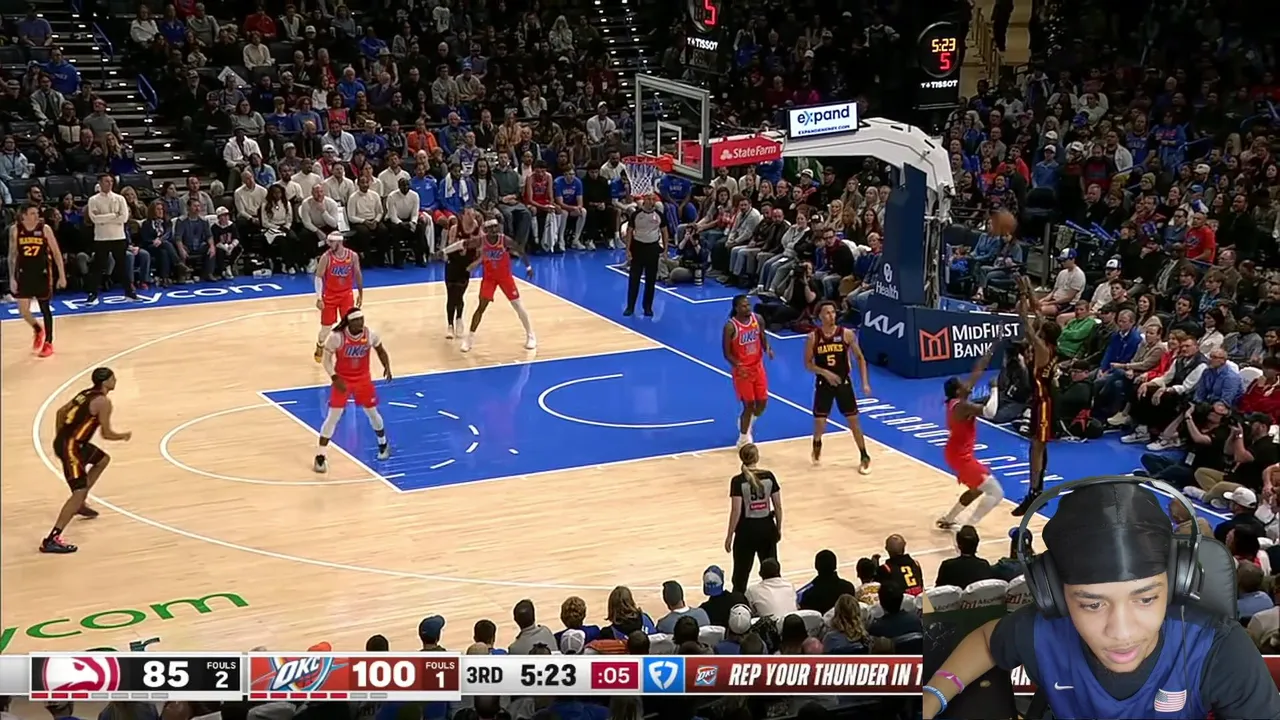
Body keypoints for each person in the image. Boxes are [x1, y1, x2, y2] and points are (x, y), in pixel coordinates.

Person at [921, 477, 1280, 720]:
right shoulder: (1041, 632)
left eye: (1145, 599)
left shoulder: (1219, 648)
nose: (1121, 632)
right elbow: (987, 640)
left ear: (1176, 584)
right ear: (1054, 595)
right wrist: (934, 695)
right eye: (1092, 604)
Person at [45, 368, 131, 554]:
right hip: (72, 448)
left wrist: (62, 436)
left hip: (69, 443)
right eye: (113, 378)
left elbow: (60, 412)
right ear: (105, 381)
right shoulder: (104, 402)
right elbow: (106, 434)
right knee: (78, 491)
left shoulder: (85, 394)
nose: (115, 380)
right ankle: (52, 539)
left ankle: (80, 503)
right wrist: (123, 436)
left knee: (102, 460)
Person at [315, 308, 392, 473]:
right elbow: (326, 360)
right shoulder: (336, 337)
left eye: (362, 319)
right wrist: (334, 377)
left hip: (363, 379)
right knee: (333, 417)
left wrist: (387, 366)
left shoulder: (370, 335)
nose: (361, 323)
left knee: (372, 413)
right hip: (342, 380)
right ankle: (320, 456)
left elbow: (381, 350)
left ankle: (383, 444)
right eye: (357, 320)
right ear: (349, 323)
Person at [938, 345, 1005, 529]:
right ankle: (969, 527)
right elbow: (990, 412)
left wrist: (992, 348)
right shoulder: (963, 407)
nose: (968, 385)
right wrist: (994, 389)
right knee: (996, 492)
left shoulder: (957, 401)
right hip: (961, 457)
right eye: (963, 385)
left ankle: (948, 519)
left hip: (955, 452)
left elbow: (977, 371)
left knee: (977, 489)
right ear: (958, 391)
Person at [803, 300, 873, 474]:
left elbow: (860, 358)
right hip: (824, 384)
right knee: (820, 421)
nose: (831, 316)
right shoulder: (813, 337)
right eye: (827, 313)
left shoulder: (846, 334)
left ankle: (864, 455)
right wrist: (825, 373)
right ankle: (817, 442)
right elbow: (808, 364)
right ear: (820, 316)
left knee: (854, 421)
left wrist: (865, 382)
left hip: (843, 383)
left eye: (833, 312)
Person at [1014, 275, 1062, 516]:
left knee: (1036, 447)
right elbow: (1037, 311)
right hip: (1042, 400)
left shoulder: (1042, 348)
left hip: (1043, 402)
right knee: (1038, 446)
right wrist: (1029, 289)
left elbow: (1025, 320)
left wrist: (1022, 295)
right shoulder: (1051, 344)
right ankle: (1037, 489)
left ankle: (1034, 492)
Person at [461, 219, 536, 353]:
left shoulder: (504, 240)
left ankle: (530, 335)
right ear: (486, 230)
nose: (494, 229)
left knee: (518, 305)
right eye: (491, 227)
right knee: (481, 307)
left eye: (496, 227)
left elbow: (519, 249)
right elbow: (466, 245)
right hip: (489, 278)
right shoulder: (481, 240)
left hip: (505, 277)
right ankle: (469, 338)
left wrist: (528, 267)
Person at [724, 443, 782, 595]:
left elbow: (736, 511)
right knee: (772, 573)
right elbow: (778, 507)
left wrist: (729, 536)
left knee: (740, 576)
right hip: (767, 528)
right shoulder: (769, 476)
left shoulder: (738, 481)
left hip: (746, 532)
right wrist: (778, 528)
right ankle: (776, 599)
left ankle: (738, 603)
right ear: (757, 457)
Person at [8, 203, 65, 358]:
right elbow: (12, 255)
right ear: (24, 215)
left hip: (42, 273)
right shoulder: (15, 230)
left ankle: (48, 342)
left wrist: (62, 275)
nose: (37, 216)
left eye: (37, 213)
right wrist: (12, 278)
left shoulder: (45, 229)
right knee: (23, 311)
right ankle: (38, 328)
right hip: (23, 273)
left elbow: (56, 253)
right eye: (33, 213)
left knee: (45, 308)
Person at [723, 295, 773, 448]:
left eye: (748, 305)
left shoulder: (757, 319)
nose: (748, 308)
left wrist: (767, 348)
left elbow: (762, 336)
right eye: (744, 306)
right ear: (736, 308)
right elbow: (727, 353)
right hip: (742, 371)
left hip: (758, 367)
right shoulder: (731, 327)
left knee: (762, 403)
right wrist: (738, 365)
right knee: (749, 405)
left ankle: (747, 421)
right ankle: (743, 439)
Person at [85, 174, 136, 304]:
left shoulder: (120, 199)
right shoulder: (93, 200)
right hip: (101, 238)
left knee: (122, 266)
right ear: (100, 183)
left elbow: (124, 218)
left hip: (118, 237)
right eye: (106, 181)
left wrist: (104, 218)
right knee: (98, 267)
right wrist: (114, 215)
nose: (109, 184)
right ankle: (93, 294)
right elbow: (94, 219)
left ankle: (129, 292)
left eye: (111, 181)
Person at [312, 232, 364, 363]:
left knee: (348, 324)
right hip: (330, 295)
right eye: (328, 242)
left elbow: (358, 274)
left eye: (331, 242)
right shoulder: (326, 257)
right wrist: (319, 297)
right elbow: (318, 277)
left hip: (346, 294)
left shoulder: (352, 256)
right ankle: (320, 344)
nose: (329, 244)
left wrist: (360, 293)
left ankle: (346, 351)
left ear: (339, 242)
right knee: (326, 328)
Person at [624, 193, 667, 317]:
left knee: (650, 280)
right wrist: (628, 249)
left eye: (653, 199)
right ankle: (630, 307)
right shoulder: (635, 215)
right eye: (649, 199)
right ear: (644, 200)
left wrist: (665, 249)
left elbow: (664, 232)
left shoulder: (659, 215)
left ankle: (648, 307)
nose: (651, 201)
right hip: (638, 248)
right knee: (634, 279)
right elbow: (629, 232)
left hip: (653, 248)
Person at [443, 208, 481, 338]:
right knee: (451, 296)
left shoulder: (477, 230)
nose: (471, 216)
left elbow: (482, 251)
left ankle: (459, 318)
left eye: (473, 214)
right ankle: (450, 325)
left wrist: (475, 264)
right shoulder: (455, 228)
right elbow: (449, 247)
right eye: (468, 214)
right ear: (463, 215)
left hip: (465, 267)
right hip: (453, 264)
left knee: (459, 295)